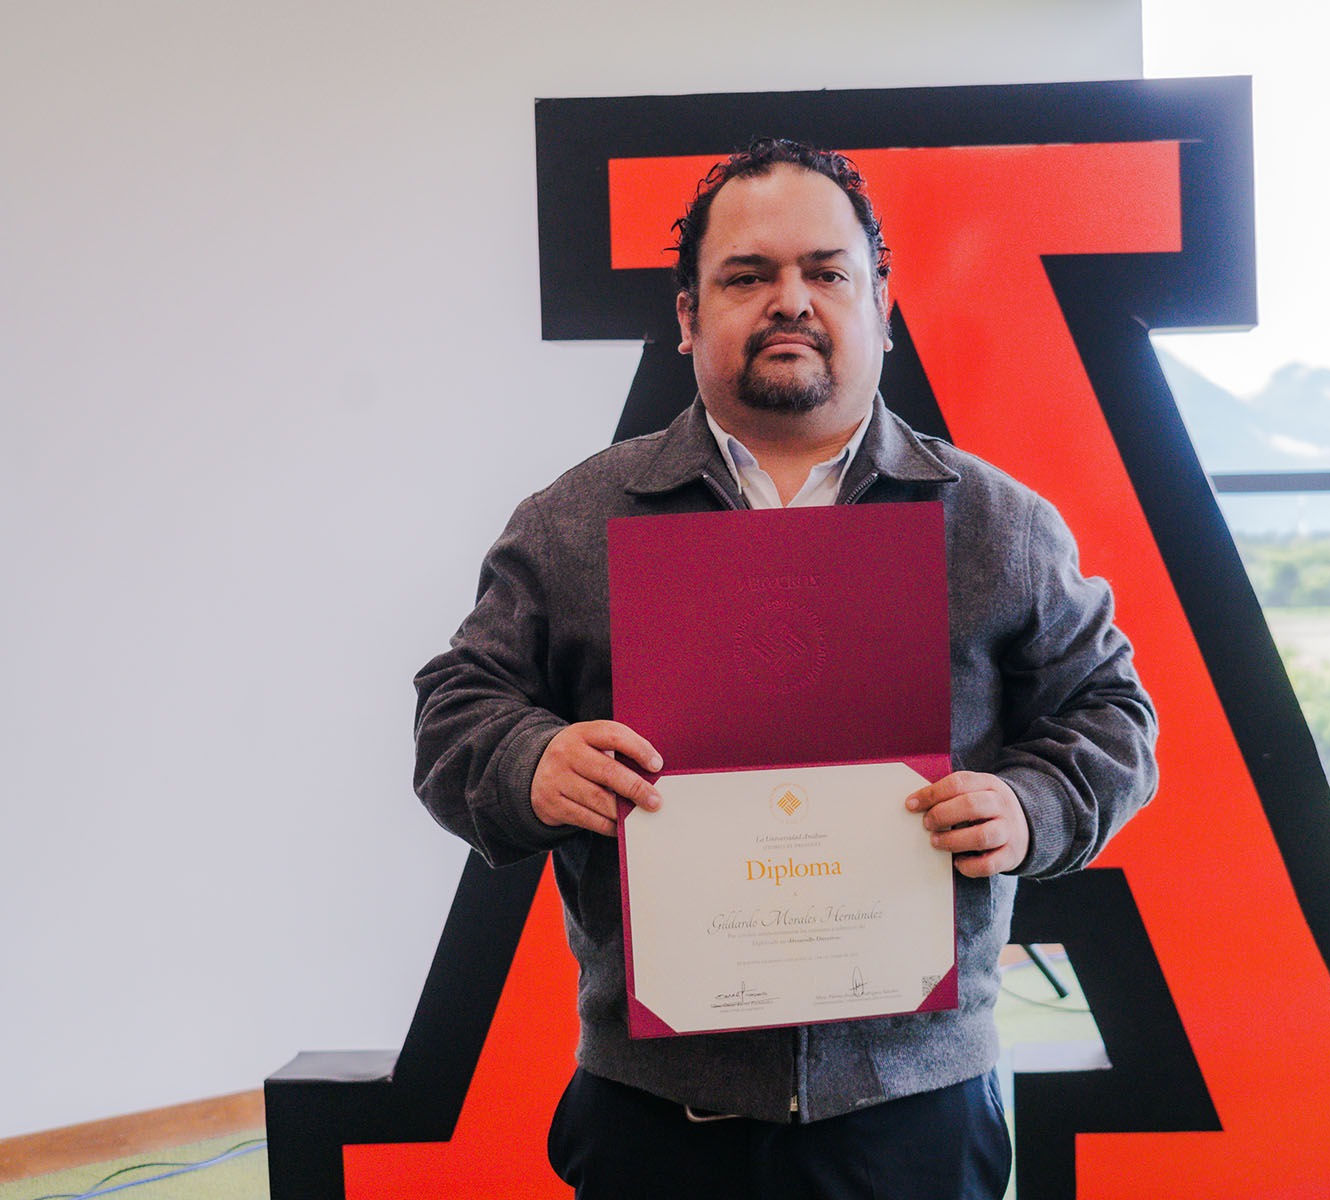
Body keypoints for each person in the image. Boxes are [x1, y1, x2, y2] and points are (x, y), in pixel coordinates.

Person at [413, 138, 1157, 1200]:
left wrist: (1033, 805)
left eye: (826, 271)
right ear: (687, 315)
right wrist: (530, 759)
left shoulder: (997, 522)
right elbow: (453, 715)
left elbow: (1113, 714)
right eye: (748, 276)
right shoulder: (574, 522)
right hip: (654, 1117)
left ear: (882, 307)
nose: (790, 300)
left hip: (914, 1110)